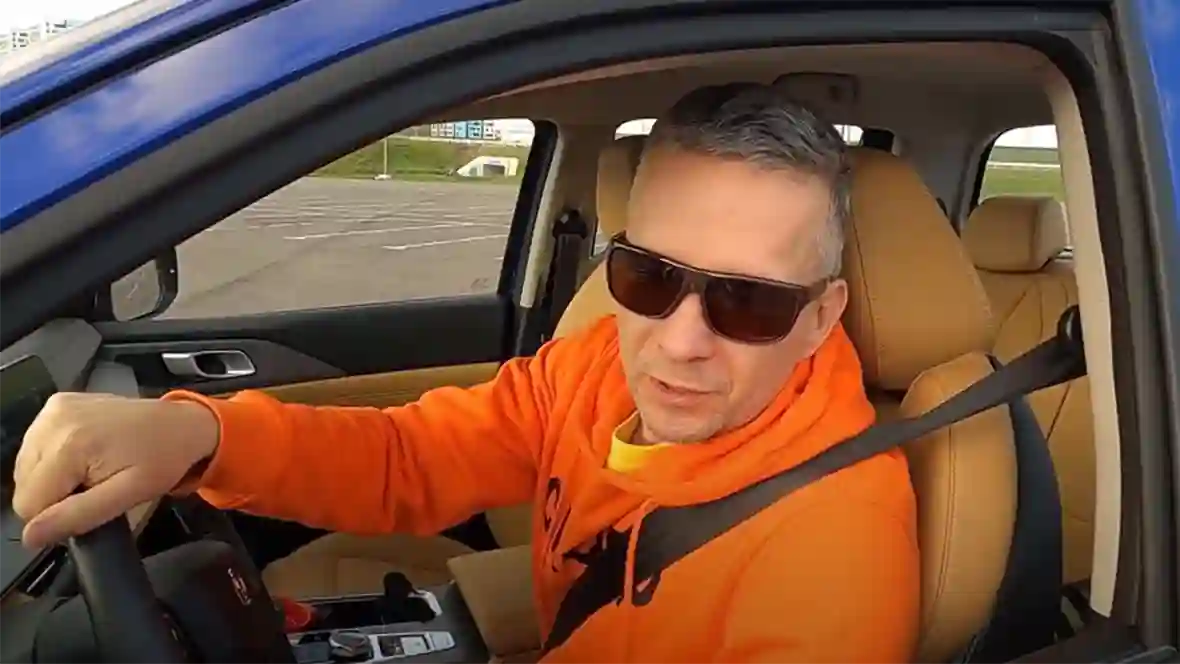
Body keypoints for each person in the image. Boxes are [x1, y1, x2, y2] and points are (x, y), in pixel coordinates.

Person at [12, 83, 920, 663]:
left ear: (820, 318)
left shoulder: (835, 550)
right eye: (648, 276)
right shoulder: (596, 363)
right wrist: (198, 434)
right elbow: (411, 457)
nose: (681, 342)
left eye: (749, 303)